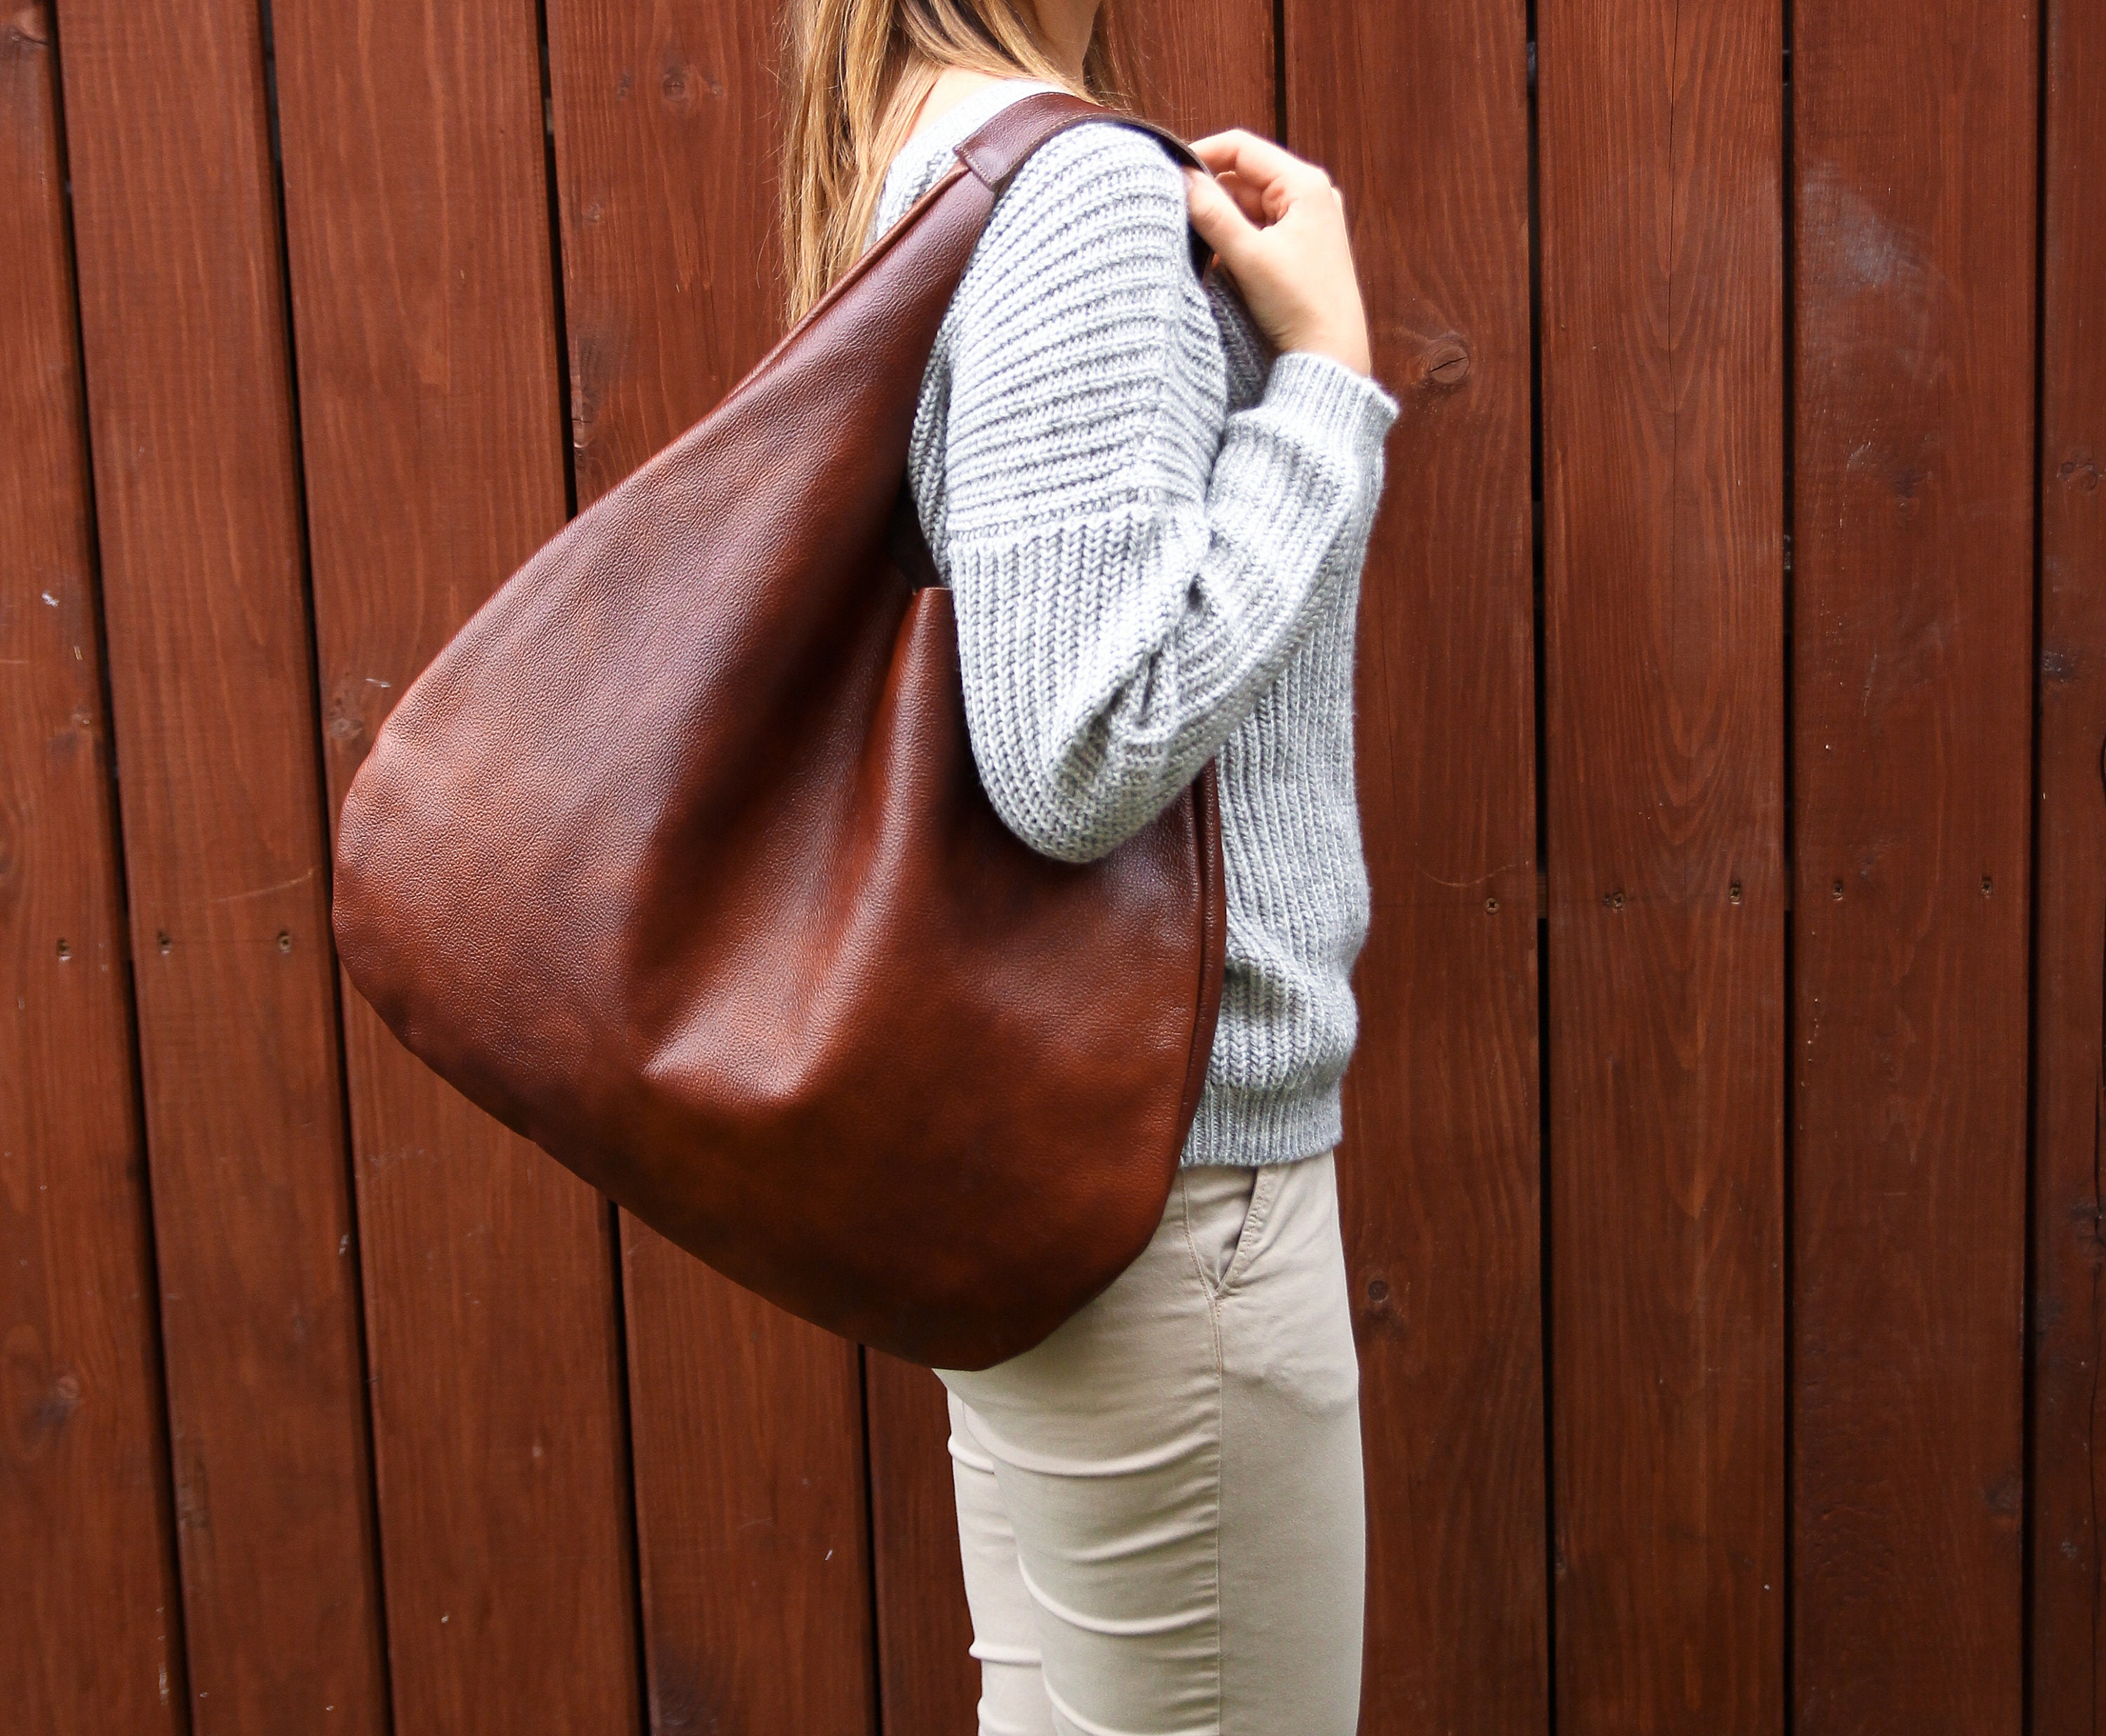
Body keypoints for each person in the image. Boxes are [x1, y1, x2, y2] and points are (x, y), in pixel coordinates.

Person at [781, 3, 1399, 1730]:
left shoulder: (918, 154)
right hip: (1179, 1195)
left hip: (1080, 1180)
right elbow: (1077, 745)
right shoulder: (1070, 197)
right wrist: (1329, 390)